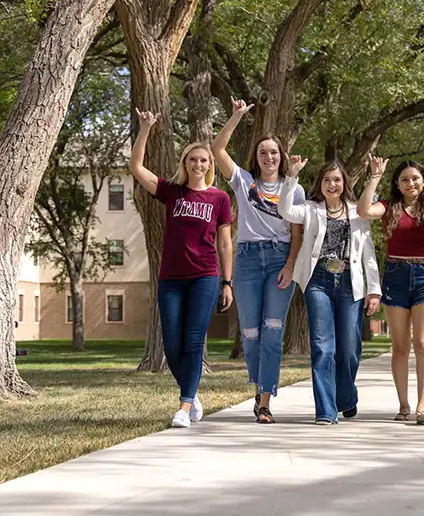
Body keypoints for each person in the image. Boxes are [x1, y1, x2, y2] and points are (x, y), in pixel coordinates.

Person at [129, 109, 233, 428]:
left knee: (192, 341)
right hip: (171, 278)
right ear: (185, 163)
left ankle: (184, 406)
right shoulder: (171, 192)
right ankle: (192, 392)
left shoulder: (219, 198)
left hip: (205, 276)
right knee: (171, 344)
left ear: (209, 165)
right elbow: (136, 167)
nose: (198, 164)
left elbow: (225, 243)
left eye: (203, 160)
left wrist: (227, 282)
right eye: (192, 160)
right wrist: (145, 128)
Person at [211, 99, 304, 424]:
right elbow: (218, 149)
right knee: (250, 333)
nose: (268, 157)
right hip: (248, 260)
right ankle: (258, 385)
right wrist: (236, 115)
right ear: (257, 157)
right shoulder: (244, 183)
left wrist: (290, 265)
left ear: (281, 156)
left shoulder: (294, 189)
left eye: (274, 152)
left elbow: (297, 234)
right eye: (263, 152)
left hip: (280, 259)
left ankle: (265, 400)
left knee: (272, 330)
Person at [278, 158, 382, 424]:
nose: (332, 184)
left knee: (349, 348)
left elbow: (368, 252)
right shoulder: (311, 209)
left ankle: (346, 397)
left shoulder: (358, 211)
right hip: (319, 281)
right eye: (327, 180)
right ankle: (325, 410)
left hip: (350, 281)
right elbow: (286, 211)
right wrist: (291, 176)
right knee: (323, 346)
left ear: (344, 182)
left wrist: (374, 289)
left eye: (337, 180)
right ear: (320, 184)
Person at [357, 158, 424, 424]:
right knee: (400, 346)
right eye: (404, 179)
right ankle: (403, 405)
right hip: (395, 276)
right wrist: (374, 177)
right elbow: (363, 210)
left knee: (423, 343)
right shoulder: (388, 208)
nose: (410, 183)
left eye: (415, 178)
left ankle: (422, 406)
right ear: (397, 184)